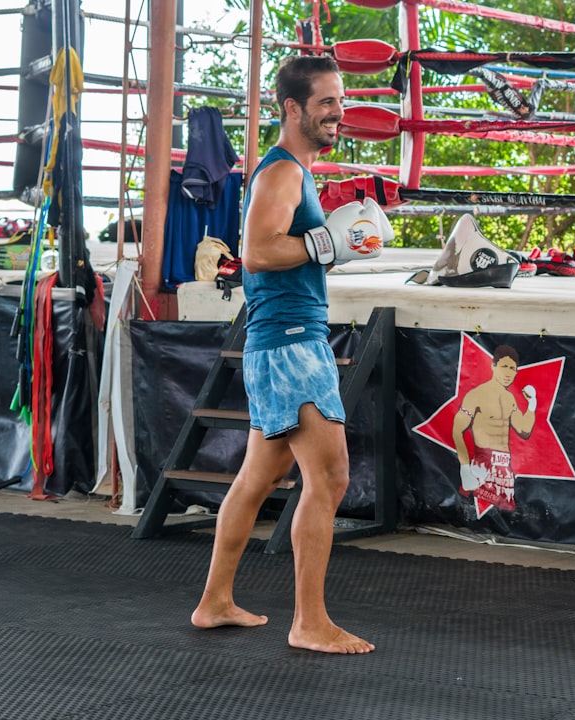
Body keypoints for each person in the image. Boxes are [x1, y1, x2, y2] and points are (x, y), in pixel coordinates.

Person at [191, 54, 379, 654]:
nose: (338, 113)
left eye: (340, 101)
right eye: (326, 102)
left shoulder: (296, 171)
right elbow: (256, 254)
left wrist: (336, 246)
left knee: (257, 477)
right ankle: (310, 623)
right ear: (293, 108)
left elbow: (291, 249)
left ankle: (214, 601)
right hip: (292, 344)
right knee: (328, 476)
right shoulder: (281, 174)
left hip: (282, 341)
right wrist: (329, 242)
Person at [452, 345, 536, 513]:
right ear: (493, 366)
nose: (508, 373)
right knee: (477, 514)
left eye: (513, 368)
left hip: (505, 467)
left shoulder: (510, 398)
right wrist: (465, 469)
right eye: (504, 366)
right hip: (482, 464)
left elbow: (524, 429)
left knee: (506, 517)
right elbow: (457, 430)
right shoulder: (476, 394)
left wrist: (532, 404)